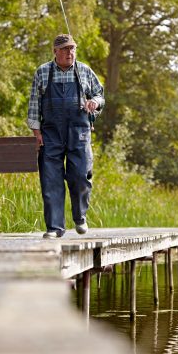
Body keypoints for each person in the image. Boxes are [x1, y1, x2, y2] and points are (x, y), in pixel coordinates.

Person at [27, 34, 104, 238]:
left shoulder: (85, 70)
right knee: (50, 179)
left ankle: (80, 217)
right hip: (50, 132)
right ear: (55, 51)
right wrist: (36, 131)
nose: (70, 52)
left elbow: (100, 94)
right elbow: (34, 102)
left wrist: (95, 103)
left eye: (72, 49)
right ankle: (54, 227)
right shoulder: (43, 72)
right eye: (65, 49)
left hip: (79, 132)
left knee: (80, 175)